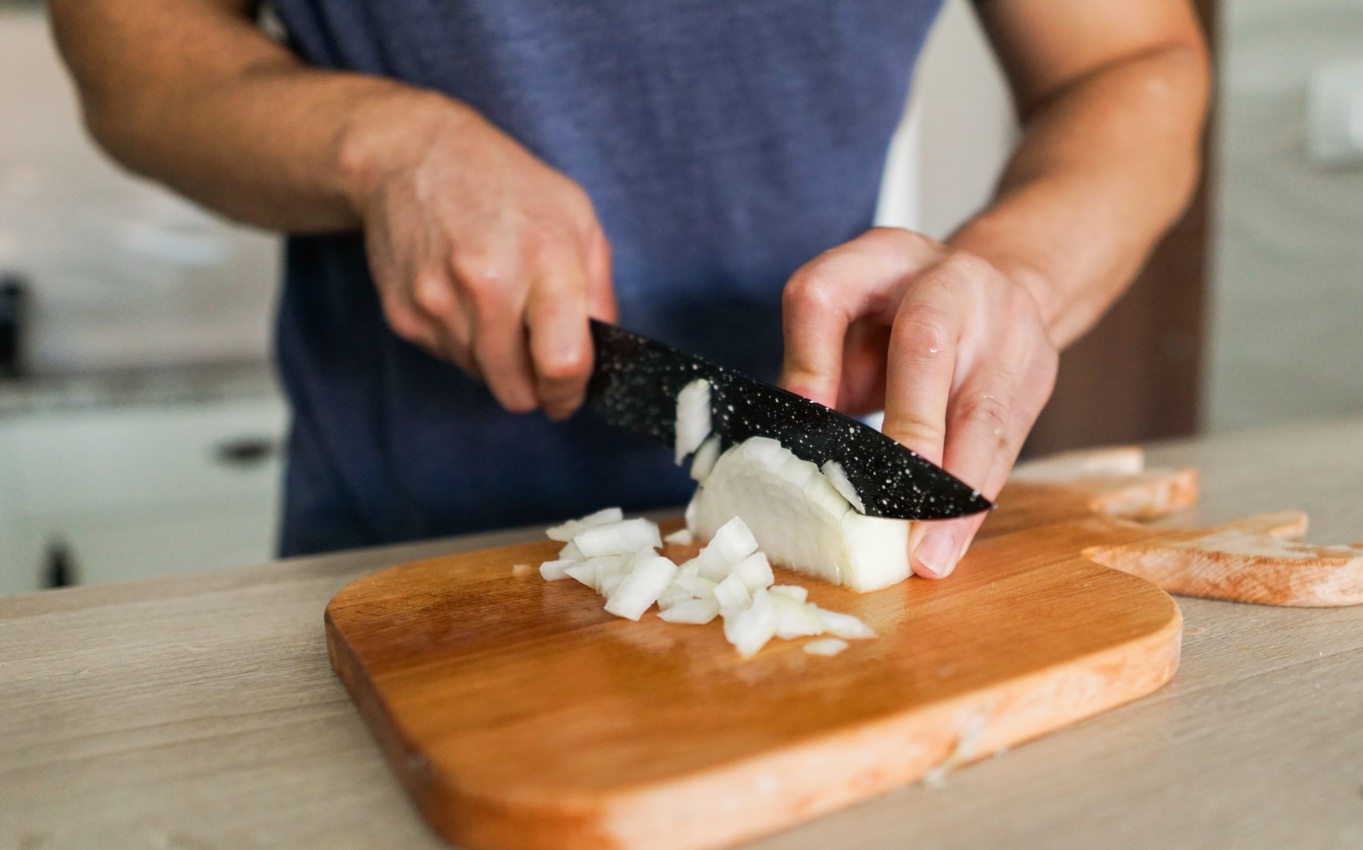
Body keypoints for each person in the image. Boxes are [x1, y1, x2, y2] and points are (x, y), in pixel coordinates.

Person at [51, 0, 1209, 579]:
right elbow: (132, 47)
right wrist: (382, 147)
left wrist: (1018, 269)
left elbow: (1132, 59)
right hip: (391, 562)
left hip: (794, 564)